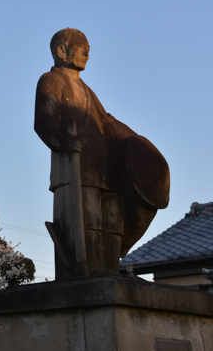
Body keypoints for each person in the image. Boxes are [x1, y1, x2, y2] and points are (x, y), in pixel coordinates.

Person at [34, 28, 169, 279]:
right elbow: (43, 124)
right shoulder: (50, 81)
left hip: (105, 168)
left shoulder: (87, 90)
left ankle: (109, 270)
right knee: (90, 220)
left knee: (113, 222)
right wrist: (62, 141)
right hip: (76, 168)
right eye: (81, 47)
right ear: (61, 51)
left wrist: (133, 142)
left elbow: (106, 122)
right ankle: (92, 270)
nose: (86, 53)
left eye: (89, 50)